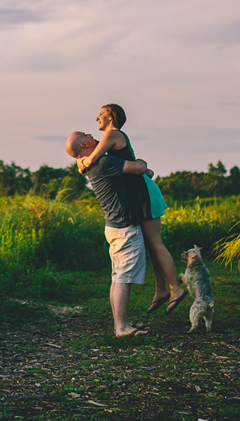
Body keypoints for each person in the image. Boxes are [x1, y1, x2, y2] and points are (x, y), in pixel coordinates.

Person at [76, 104, 187, 315]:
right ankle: (161, 290)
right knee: (149, 244)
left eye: (100, 114)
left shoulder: (113, 134)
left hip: (144, 192)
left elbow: (92, 158)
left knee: (155, 242)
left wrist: (83, 161)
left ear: (111, 116)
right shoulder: (111, 140)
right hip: (139, 193)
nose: (96, 118)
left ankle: (176, 288)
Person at [66, 130, 153, 338]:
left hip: (114, 225)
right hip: (124, 226)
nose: (91, 133)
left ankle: (120, 324)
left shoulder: (92, 163)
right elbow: (140, 167)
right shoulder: (103, 162)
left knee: (117, 278)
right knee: (123, 278)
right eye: (85, 135)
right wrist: (140, 161)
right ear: (84, 144)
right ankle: (122, 328)